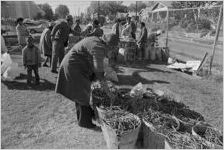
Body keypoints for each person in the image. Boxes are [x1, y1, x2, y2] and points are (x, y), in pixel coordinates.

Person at [55, 34, 119, 129]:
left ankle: (88, 114)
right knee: (82, 94)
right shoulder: (98, 47)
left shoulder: (96, 40)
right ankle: (84, 122)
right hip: (73, 67)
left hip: (75, 65)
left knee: (81, 93)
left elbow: (95, 64)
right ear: (109, 45)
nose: (113, 50)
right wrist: (108, 92)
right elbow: (99, 72)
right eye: (113, 48)